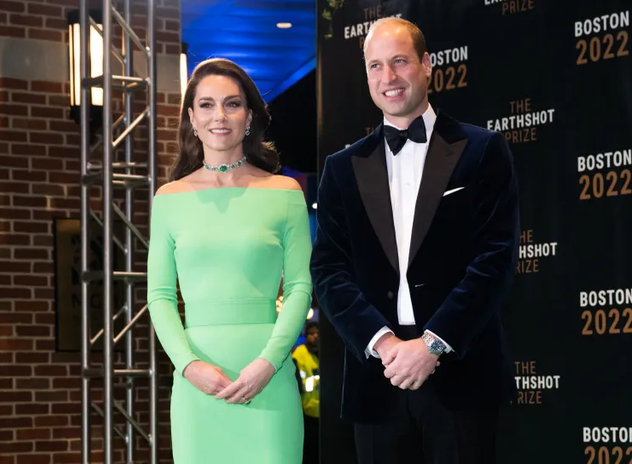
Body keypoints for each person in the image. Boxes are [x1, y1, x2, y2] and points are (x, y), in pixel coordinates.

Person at [310, 17, 519, 464]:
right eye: (375, 66)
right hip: (377, 379)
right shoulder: (342, 168)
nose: (388, 77)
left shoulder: (483, 149)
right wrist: (385, 345)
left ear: (426, 64)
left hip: (461, 375)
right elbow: (329, 270)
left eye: (400, 62)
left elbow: (495, 258)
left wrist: (432, 344)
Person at [147, 58, 313, 463]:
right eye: (206, 105)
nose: (219, 116)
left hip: (269, 379)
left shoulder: (285, 192)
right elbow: (159, 296)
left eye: (232, 104)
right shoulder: (168, 199)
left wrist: (268, 363)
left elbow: (300, 288)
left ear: (249, 116)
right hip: (197, 385)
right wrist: (188, 366)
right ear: (191, 117)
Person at [292, 321, 320, 464]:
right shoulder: (299, 355)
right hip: (306, 411)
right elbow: (298, 384)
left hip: (326, 411)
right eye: (312, 333)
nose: (315, 336)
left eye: (318, 333)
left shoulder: (324, 352)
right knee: (309, 452)